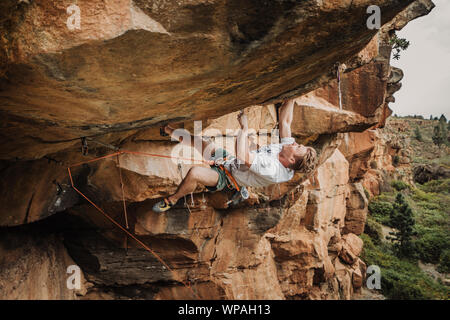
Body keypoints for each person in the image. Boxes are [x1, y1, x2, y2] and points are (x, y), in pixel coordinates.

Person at [152, 98, 317, 212]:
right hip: (230, 162)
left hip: (228, 177)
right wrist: (293, 97)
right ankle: (166, 129)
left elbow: (242, 154)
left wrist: (244, 129)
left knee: (195, 173)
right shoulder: (288, 149)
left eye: (298, 147)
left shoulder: (272, 169)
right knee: (198, 141)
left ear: (291, 160)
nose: (294, 143)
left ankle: (174, 199)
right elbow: (286, 122)